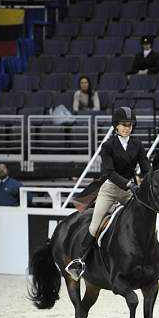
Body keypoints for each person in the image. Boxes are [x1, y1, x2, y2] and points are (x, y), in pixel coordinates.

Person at [65, 106, 151, 280]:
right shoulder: (108, 146)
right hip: (110, 190)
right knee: (94, 225)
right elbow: (108, 172)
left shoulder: (138, 144)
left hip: (129, 192)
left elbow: (146, 167)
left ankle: (156, 259)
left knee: (145, 221)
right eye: (124, 124)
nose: (127, 127)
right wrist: (128, 183)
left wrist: (148, 180)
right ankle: (79, 261)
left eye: (130, 124)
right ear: (116, 126)